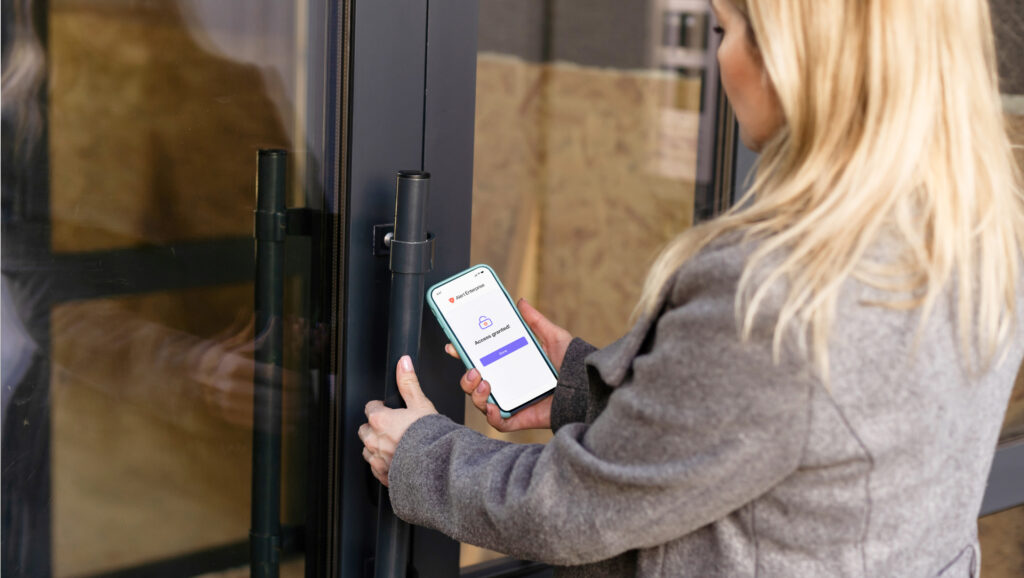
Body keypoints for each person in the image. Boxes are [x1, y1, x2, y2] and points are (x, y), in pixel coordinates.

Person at [359, 0, 1024, 575]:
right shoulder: (977, 235)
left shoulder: (778, 292)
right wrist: (579, 388)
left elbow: (573, 510)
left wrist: (423, 455)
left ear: (797, 58)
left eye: (723, 31)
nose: (721, 61)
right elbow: (789, 437)